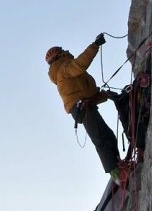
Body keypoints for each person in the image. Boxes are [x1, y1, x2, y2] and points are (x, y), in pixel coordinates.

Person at [46, 36, 129, 181]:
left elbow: (86, 94)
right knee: (101, 139)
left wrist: (106, 95)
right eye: (64, 51)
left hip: (85, 107)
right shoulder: (64, 69)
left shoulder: (65, 72)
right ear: (60, 56)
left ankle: (118, 166)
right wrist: (95, 45)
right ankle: (116, 174)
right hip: (83, 108)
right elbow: (79, 64)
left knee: (107, 136)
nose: (67, 51)